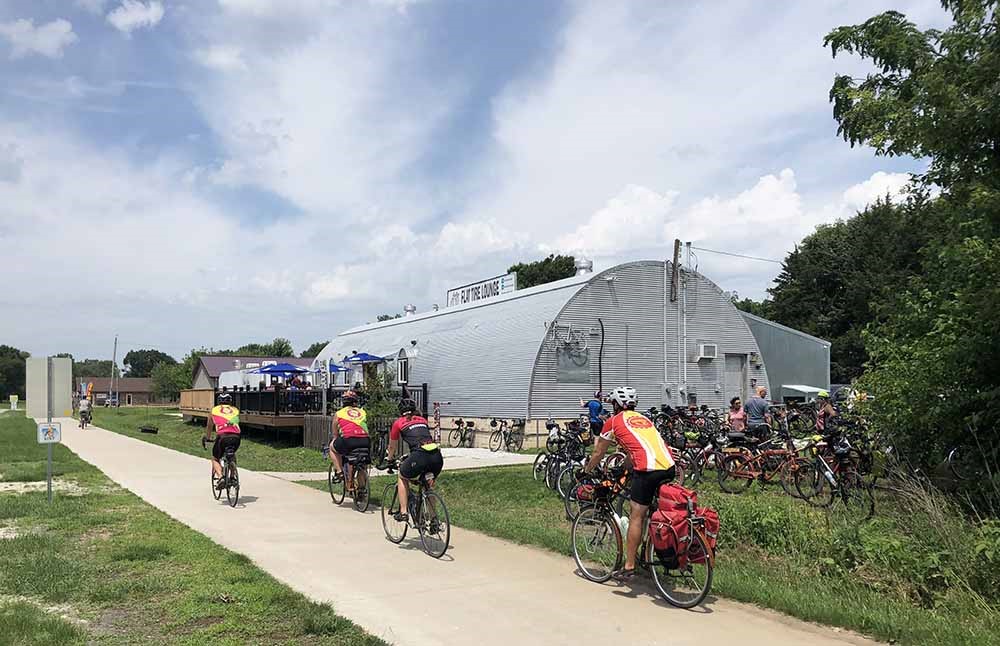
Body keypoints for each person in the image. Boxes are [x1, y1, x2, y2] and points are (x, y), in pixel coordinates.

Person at [580, 386, 676, 581]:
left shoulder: (613, 421)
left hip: (647, 471)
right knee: (650, 510)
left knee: (636, 516)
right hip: (669, 466)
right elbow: (639, 448)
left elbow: (599, 452)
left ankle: (629, 565)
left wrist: (586, 471)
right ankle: (648, 553)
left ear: (615, 404)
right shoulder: (645, 420)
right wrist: (623, 467)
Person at [387, 398, 444, 521]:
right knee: (428, 486)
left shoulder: (398, 423)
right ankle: (434, 519)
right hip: (436, 456)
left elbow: (392, 446)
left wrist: (389, 459)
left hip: (420, 455)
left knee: (402, 475)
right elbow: (421, 438)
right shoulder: (423, 420)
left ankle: (403, 512)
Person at [329, 390, 370, 491]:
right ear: (355, 402)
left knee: (332, 447)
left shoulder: (339, 413)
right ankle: (361, 490)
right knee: (362, 463)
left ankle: (339, 472)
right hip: (365, 440)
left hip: (349, 440)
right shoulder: (362, 412)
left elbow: (335, 434)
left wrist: (335, 438)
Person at [204, 393, 241, 489]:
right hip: (236, 436)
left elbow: (209, 426)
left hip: (222, 436)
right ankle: (232, 477)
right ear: (230, 401)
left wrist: (207, 438)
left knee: (215, 458)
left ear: (219, 402)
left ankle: (221, 478)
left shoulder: (214, 410)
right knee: (232, 454)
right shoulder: (235, 410)